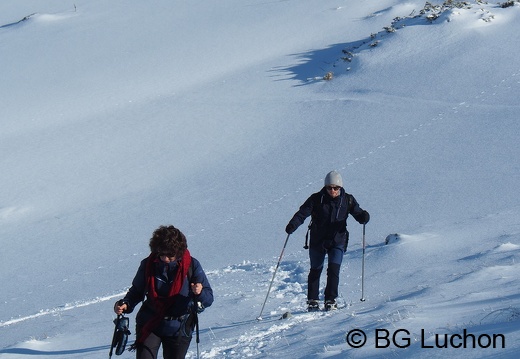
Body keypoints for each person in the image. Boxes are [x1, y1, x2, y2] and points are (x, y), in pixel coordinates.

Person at [113, 225, 213, 359]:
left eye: (170, 255)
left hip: (179, 327)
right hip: (150, 323)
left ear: (178, 252)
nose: (165, 258)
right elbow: (137, 291)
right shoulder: (148, 264)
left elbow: (208, 298)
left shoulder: (191, 265)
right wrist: (125, 304)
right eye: (161, 254)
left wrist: (199, 292)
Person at [285, 171, 369, 311]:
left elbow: (358, 213)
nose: (332, 191)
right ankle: (313, 300)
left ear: (340, 187)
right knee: (315, 270)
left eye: (336, 188)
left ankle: (330, 300)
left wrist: (363, 217)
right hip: (318, 240)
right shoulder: (316, 199)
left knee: (333, 270)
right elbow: (302, 213)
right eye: (329, 187)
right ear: (325, 187)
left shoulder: (347, 200)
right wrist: (293, 225)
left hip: (338, 240)